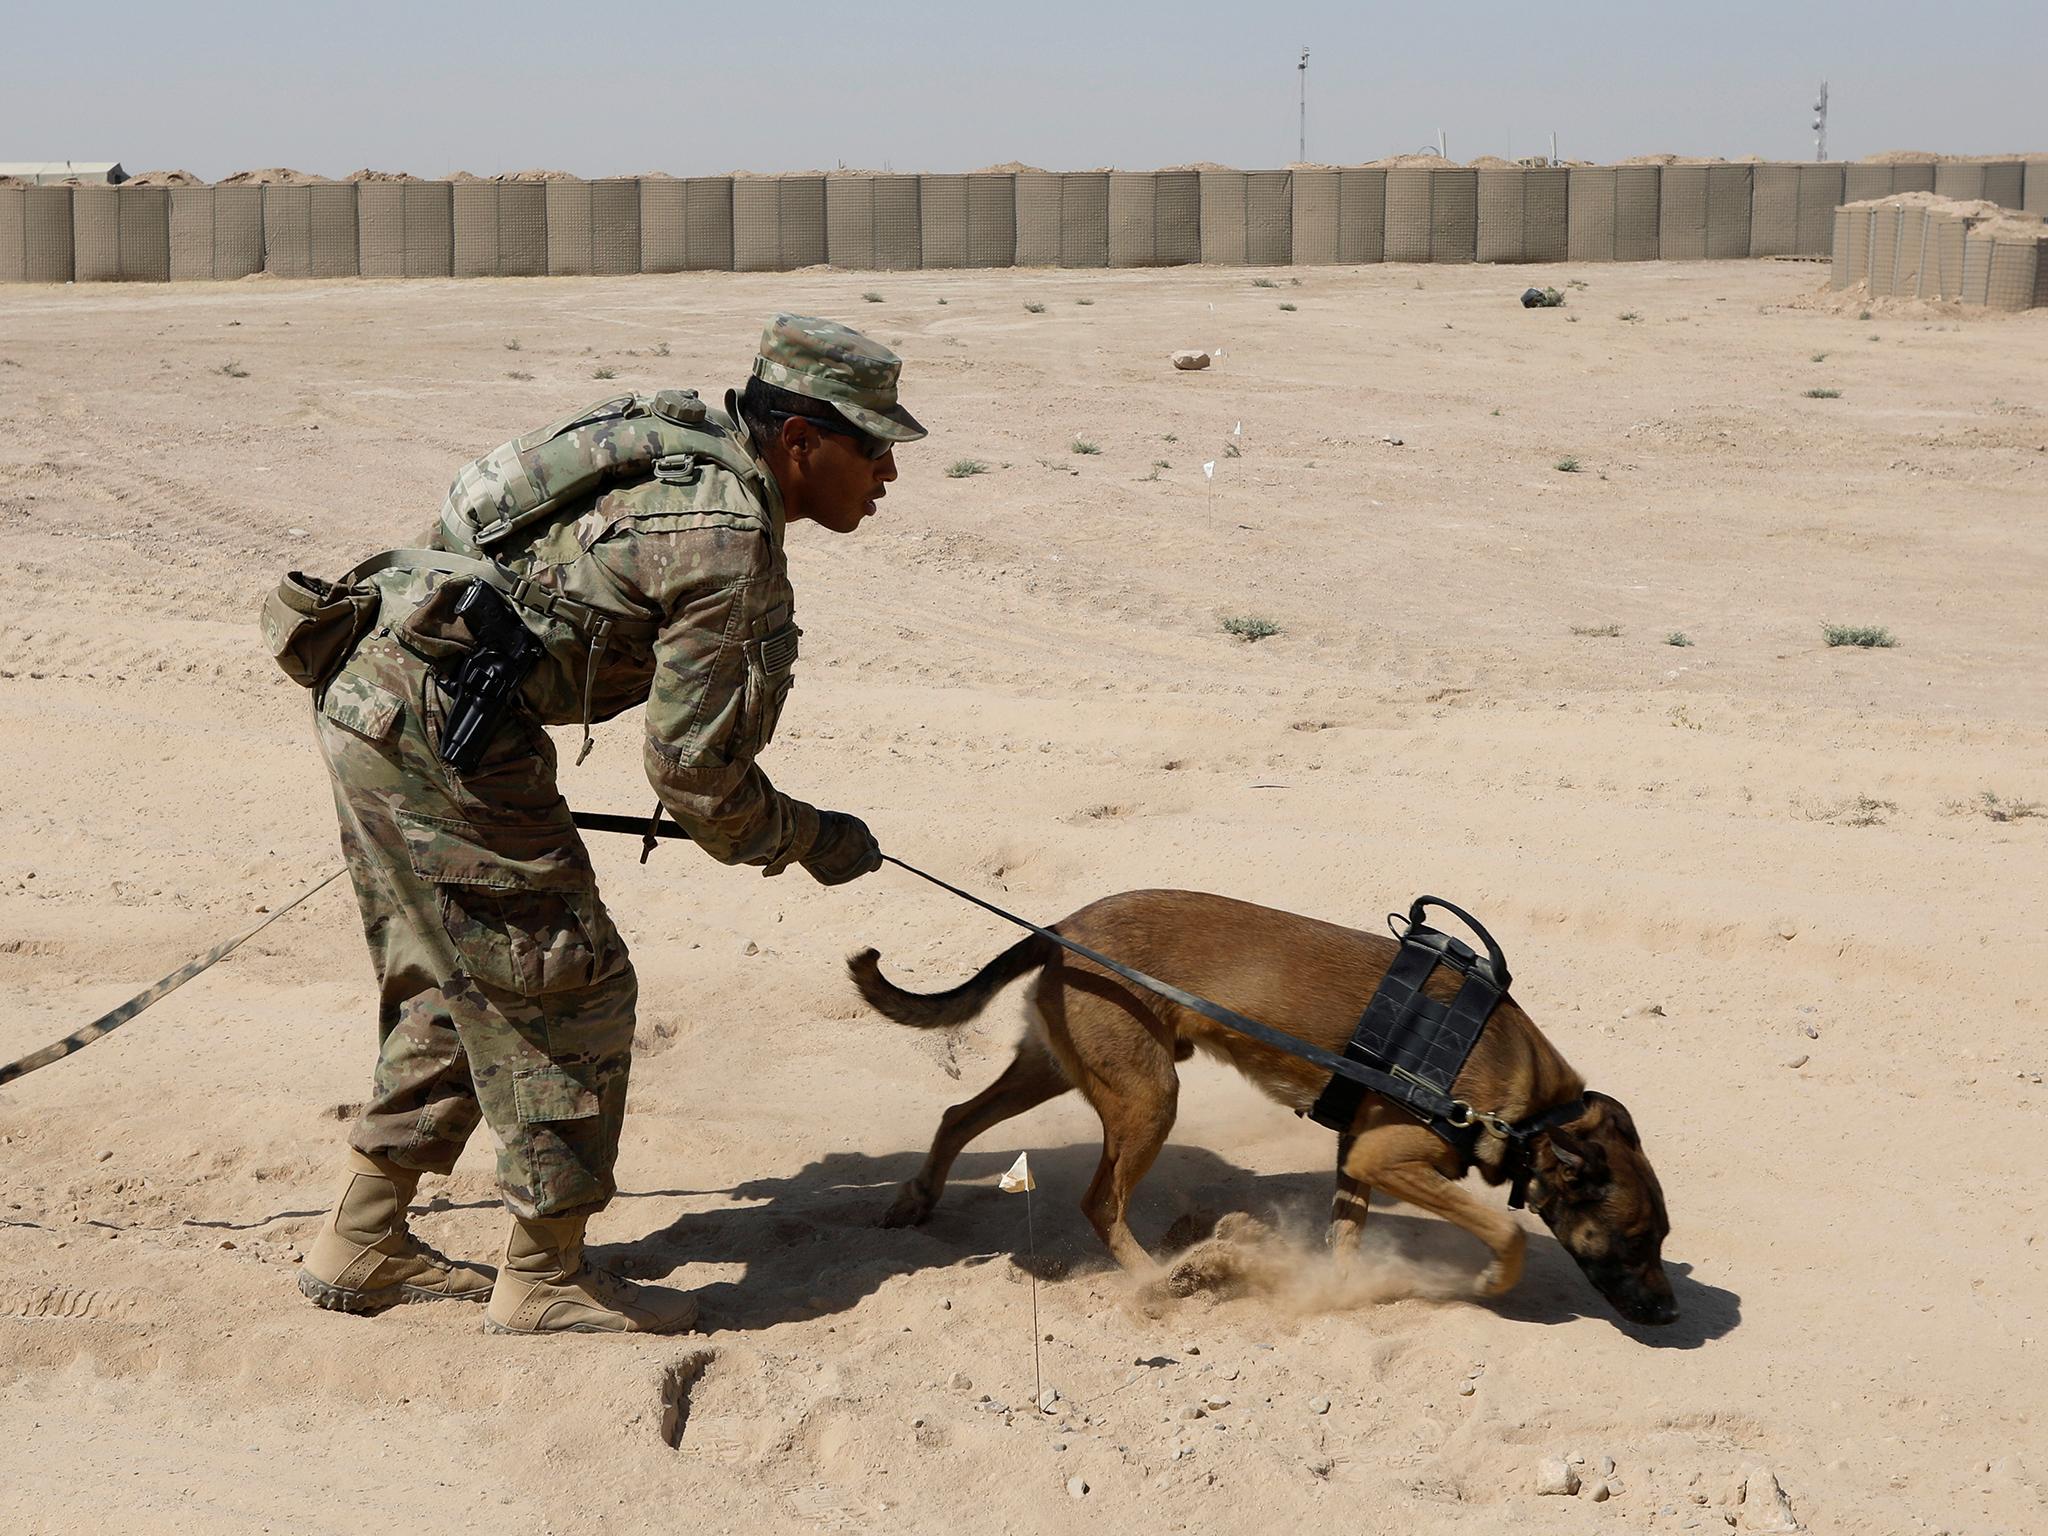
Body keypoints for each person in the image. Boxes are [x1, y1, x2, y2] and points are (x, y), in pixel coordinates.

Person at [293, 315, 922, 1334]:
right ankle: (542, 1279)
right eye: (873, 444)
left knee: (466, 974)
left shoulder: (675, 448)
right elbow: (698, 784)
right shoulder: (728, 542)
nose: (889, 470)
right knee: (564, 985)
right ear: (801, 442)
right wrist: (812, 839)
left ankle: (362, 1240)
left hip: (381, 693)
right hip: (443, 733)